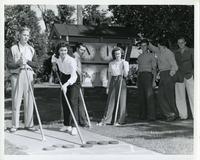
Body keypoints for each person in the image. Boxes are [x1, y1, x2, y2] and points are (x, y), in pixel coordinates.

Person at [6, 26, 39, 132]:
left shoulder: (31, 49)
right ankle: (14, 125)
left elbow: (36, 65)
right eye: (24, 35)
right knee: (16, 99)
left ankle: (29, 124)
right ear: (19, 35)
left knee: (29, 100)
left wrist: (27, 61)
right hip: (17, 74)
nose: (26, 37)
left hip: (29, 74)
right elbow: (9, 64)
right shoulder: (13, 48)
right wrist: (18, 63)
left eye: (28, 35)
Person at [51, 41, 79, 136]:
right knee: (64, 101)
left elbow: (74, 76)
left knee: (72, 101)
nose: (63, 52)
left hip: (73, 79)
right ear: (58, 51)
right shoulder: (56, 57)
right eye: (61, 50)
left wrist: (66, 85)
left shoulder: (71, 60)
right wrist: (54, 65)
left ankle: (74, 126)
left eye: (65, 50)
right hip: (63, 77)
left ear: (67, 50)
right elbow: (53, 58)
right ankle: (67, 125)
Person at [97, 47, 129, 126]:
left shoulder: (125, 63)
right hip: (113, 81)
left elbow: (126, 75)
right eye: (116, 54)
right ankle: (106, 120)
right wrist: (108, 87)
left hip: (121, 80)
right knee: (110, 100)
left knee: (121, 100)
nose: (117, 55)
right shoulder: (111, 63)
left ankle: (120, 120)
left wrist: (124, 66)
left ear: (121, 54)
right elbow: (110, 76)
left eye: (119, 53)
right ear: (114, 55)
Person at [148, 39, 179, 121]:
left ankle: (174, 114)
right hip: (162, 75)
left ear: (161, 45)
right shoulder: (159, 51)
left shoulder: (169, 53)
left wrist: (170, 75)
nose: (157, 46)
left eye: (159, 45)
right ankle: (168, 114)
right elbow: (152, 47)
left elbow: (175, 66)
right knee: (160, 95)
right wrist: (147, 42)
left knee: (169, 96)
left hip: (168, 74)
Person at [174, 37, 194, 119]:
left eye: (182, 42)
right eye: (179, 43)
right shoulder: (176, 53)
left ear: (185, 43)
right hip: (179, 76)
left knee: (193, 96)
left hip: (189, 75)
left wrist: (193, 74)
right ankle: (183, 115)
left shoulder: (191, 51)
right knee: (180, 96)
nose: (180, 44)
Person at [137, 39, 157, 121]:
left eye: (145, 45)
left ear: (147, 46)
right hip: (141, 76)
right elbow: (139, 69)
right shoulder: (139, 57)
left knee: (149, 96)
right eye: (142, 46)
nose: (143, 47)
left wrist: (154, 80)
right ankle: (143, 115)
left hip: (148, 76)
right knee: (141, 96)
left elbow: (154, 69)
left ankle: (151, 116)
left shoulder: (151, 55)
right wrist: (137, 80)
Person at [72, 43, 88, 127]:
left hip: (79, 81)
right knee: (79, 101)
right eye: (82, 50)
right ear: (77, 48)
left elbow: (78, 69)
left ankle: (80, 120)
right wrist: (80, 74)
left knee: (79, 101)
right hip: (76, 82)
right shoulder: (75, 56)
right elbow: (75, 68)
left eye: (84, 50)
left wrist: (82, 73)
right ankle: (81, 121)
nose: (83, 52)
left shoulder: (78, 57)